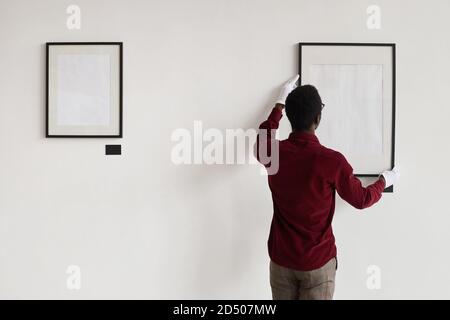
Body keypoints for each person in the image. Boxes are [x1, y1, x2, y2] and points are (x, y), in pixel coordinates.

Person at [255, 75, 399, 300]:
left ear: (290, 117)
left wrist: (279, 103)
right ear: (318, 117)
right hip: (317, 265)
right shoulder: (331, 161)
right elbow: (361, 199)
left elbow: (263, 137)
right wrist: (384, 181)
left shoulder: (273, 154)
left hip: (281, 261)